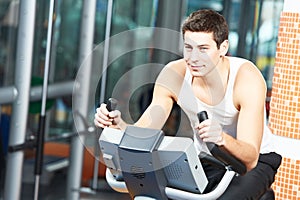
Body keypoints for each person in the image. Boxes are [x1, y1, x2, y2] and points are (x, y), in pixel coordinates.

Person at [94, 9, 281, 199]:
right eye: (188, 48)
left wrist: (221, 138)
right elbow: (145, 131)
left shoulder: (246, 79)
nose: (193, 58)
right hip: (207, 159)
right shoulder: (174, 74)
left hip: (257, 162)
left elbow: (250, 159)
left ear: (223, 47)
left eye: (203, 49)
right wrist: (120, 126)